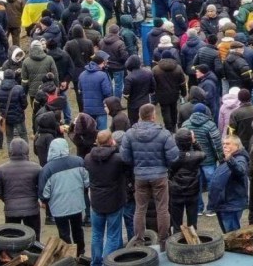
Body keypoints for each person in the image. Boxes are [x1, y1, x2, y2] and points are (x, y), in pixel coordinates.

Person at [121, 103, 179, 244]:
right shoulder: (164, 133)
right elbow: (174, 157)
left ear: (140, 116)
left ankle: (139, 239)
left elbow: (125, 157)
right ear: (153, 116)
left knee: (140, 209)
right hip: (159, 176)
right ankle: (163, 239)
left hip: (140, 176)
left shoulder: (130, 134)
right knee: (162, 209)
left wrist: (137, 165)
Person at [39, 138, 90, 256]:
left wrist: (44, 201)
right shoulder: (79, 161)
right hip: (76, 204)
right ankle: (80, 252)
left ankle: (68, 254)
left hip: (58, 208)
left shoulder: (47, 169)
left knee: (64, 233)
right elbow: (87, 182)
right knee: (78, 229)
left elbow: (44, 193)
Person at [85, 130, 127, 266]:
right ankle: (106, 263)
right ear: (111, 141)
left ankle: (96, 262)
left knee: (96, 235)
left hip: (97, 202)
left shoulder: (87, 158)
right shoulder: (118, 159)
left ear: (97, 141)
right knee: (112, 236)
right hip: (114, 202)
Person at [0, 138, 42, 240]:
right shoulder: (36, 168)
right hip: (32, 209)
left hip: (11, 210)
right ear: (27, 150)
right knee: (34, 239)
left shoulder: (1, 169)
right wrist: (35, 197)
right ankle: (35, 255)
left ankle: (14, 256)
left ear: (10, 151)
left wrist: (6, 199)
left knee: (12, 239)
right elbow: (42, 187)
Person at [208, 134, 250, 232]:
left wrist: (230, 159)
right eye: (223, 144)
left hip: (231, 205)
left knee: (232, 235)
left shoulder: (240, 159)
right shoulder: (226, 158)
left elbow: (240, 171)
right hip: (223, 204)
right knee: (226, 234)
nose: (224, 146)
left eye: (228, 143)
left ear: (237, 146)